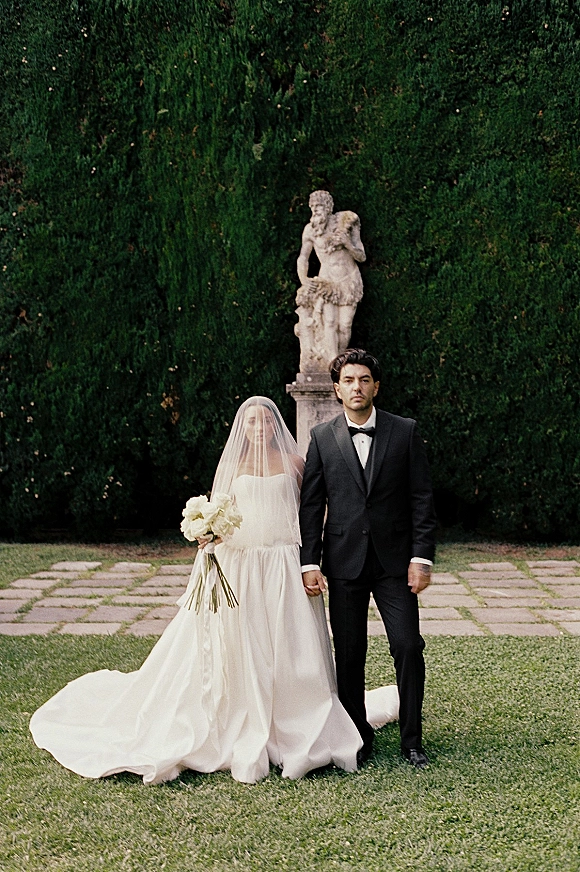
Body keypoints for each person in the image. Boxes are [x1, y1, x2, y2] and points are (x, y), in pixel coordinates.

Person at [30, 397, 398, 785]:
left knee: (292, 644)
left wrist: (311, 558)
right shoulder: (233, 466)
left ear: (275, 426)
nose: (259, 428)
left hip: (284, 564)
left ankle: (296, 715)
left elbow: (310, 511)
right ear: (244, 427)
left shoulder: (294, 464)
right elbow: (220, 509)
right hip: (240, 564)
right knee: (243, 642)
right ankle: (240, 714)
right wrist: (208, 532)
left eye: (265, 422)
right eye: (252, 422)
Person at [299, 350, 437, 769]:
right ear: (337, 389)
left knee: (408, 646)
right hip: (343, 563)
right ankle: (357, 738)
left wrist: (421, 557)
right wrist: (310, 562)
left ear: (376, 386)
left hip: (396, 563)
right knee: (350, 652)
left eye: (364, 380)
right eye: (348, 381)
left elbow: (421, 498)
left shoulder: (404, 432)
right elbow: (311, 504)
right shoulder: (322, 437)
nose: (356, 388)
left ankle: (412, 740)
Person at [295, 190, 366, 371]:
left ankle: (337, 362)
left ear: (328, 208)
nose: (315, 211)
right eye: (313, 208)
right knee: (330, 323)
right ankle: (334, 365)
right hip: (327, 282)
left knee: (345, 325)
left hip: (348, 280)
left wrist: (347, 243)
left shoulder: (346, 223)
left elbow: (361, 256)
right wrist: (304, 279)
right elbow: (303, 257)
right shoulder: (310, 230)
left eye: (319, 207)